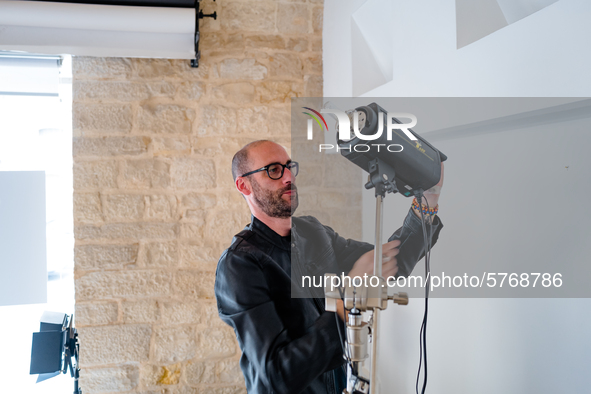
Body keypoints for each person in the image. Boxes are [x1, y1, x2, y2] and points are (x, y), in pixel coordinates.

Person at [214, 140, 443, 394]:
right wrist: (348, 301)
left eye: (289, 167)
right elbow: (276, 376)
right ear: (243, 185)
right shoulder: (239, 265)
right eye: (274, 170)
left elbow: (388, 263)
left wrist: (429, 200)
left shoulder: (314, 232)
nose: (289, 176)